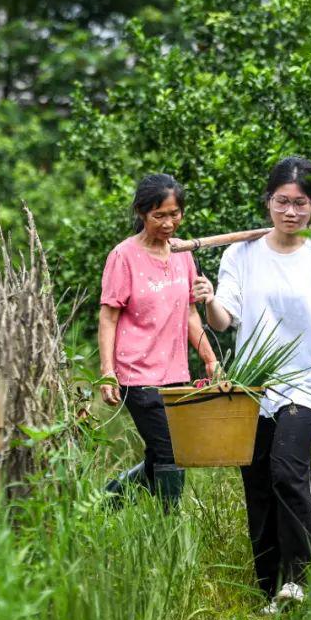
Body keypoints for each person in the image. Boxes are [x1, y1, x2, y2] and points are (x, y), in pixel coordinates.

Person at [193, 156, 311, 612]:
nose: (290, 212)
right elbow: (225, 319)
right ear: (268, 201)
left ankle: (299, 578)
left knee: (287, 468)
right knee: (257, 481)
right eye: (282, 202)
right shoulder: (241, 255)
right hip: (253, 386)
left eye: (301, 203)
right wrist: (209, 300)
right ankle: (269, 586)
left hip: (308, 383)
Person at [98, 173, 218, 510]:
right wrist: (107, 372)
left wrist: (209, 358)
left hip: (175, 372)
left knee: (160, 452)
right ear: (142, 212)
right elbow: (108, 317)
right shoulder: (123, 256)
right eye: (159, 215)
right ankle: (170, 524)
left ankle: (106, 503)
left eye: (174, 214)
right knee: (170, 451)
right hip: (137, 372)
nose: (168, 223)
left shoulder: (182, 252)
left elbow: (190, 313)